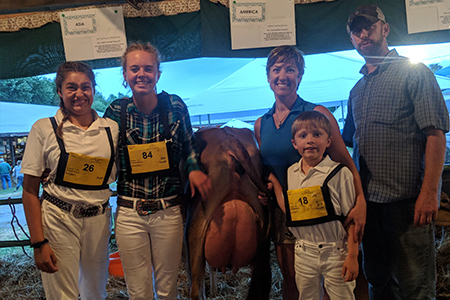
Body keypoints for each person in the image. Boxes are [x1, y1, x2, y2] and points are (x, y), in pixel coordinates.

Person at [343, 5, 449, 300]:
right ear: (352, 40)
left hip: (408, 203)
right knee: (379, 282)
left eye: (369, 27)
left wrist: (430, 191)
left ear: (385, 29)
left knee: (415, 286)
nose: (364, 34)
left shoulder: (414, 73)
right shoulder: (356, 90)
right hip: (370, 206)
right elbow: (349, 144)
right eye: (357, 31)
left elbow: (435, 134)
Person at [254, 45, 366, 300]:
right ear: (268, 76)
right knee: (294, 279)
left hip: (325, 213)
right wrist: (267, 187)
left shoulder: (316, 115)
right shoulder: (262, 124)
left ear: (300, 76)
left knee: (335, 281)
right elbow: (268, 169)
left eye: (290, 69)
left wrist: (360, 203)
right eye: (277, 69)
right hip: (286, 213)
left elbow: (346, 164)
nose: (283, 75)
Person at [104, 42, 211, 300]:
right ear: (125, 74)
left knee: (167, 288)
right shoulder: (116, 111)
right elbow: (103, 152)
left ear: (158, 73)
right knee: (138, 291)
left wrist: (195, 169)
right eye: (135, 69)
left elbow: (189, 143)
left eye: (148, 69)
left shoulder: (174, 105)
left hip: (167, 211)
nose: (142, 74)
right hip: (130, 212)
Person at [21, 61, 119, 300]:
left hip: (99, 219)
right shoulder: (44, 128)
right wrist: (38, 243)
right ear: (59, 91)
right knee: (62, 294)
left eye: (86, 87)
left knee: (96, 291)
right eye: (71, 87)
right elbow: (30, 190)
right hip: (59, 218)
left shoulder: (111, 129)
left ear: (94, 89)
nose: (79, 94)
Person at [268, 111, 358, 300]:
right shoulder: (291, 173)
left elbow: (352, 219)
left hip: (335, 252)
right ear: (294, 143)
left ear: (329, 141)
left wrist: (352, 256)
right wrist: (276, 185)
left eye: (317, 134)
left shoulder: (340, 174)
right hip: (303, 251)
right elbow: (291, 211)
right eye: (303, 136)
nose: (310, 140)